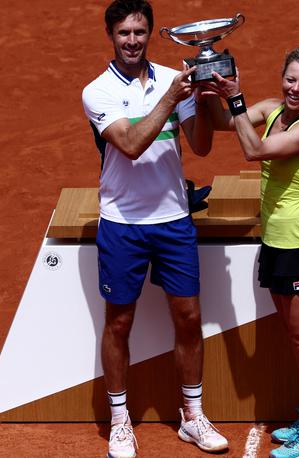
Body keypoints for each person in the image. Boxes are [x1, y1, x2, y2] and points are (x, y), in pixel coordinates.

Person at [81, 1, 228, 457]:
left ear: (150, 33)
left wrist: (204, 100)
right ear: (110, 34)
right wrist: (173, 96)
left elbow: (200, 147)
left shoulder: (172, 78)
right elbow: (129, 144)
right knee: (119, 322)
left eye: (140, 32)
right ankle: (122, 420)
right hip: (123, 223)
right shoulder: (98, 91)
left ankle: (192, 415)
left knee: (187, 318)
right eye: (124, 32)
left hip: (174, 221)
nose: (132, 41)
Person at [202, 45, 299, 457]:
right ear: (282, 76)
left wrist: (237, 97)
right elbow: (223, 122)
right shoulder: (270, 110)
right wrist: (208, 82)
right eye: (291, 79)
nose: (295, 88)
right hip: (278, 245)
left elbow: (254, 150)